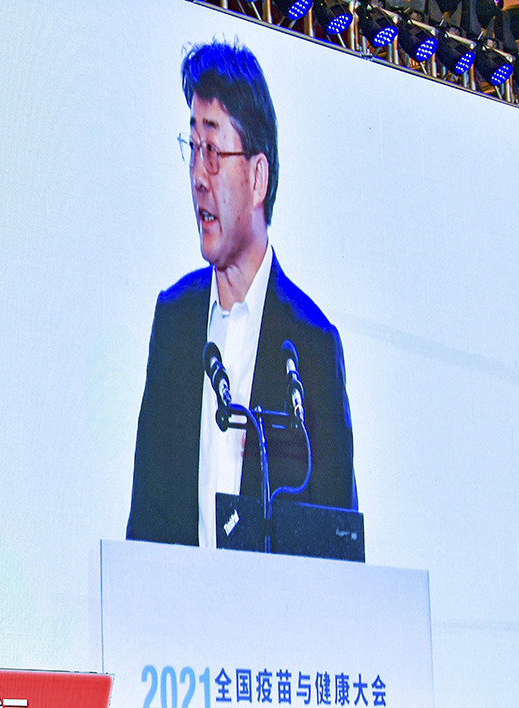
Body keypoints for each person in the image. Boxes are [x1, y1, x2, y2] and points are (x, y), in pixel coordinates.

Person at [126, 40, 357, 548]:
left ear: (257, 176)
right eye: (192, 149)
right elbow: (146, 520)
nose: (197, 177)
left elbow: (339, 544)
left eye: (213, 151)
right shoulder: (175, 320)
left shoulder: (311, 345)